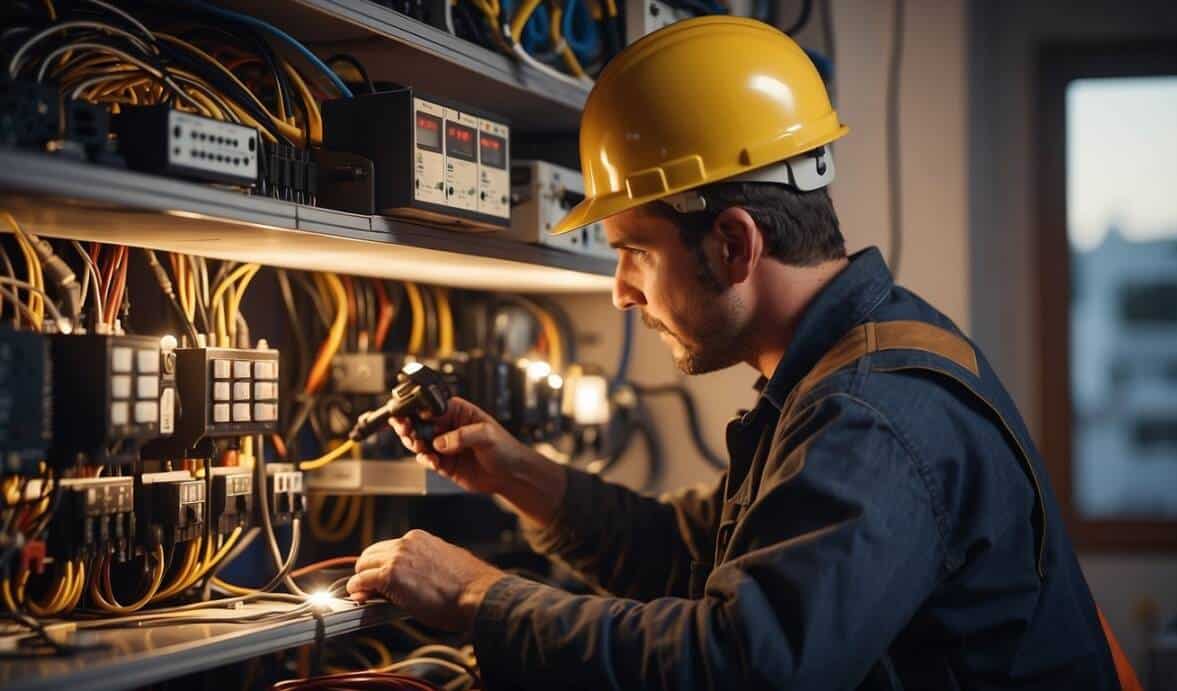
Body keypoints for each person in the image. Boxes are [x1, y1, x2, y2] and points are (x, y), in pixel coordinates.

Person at [347, 16, 1131, 690]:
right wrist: (518, 474)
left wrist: (480, 596)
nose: (622, 290)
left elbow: (745, 665)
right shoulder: (837, 375)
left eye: (635, 252)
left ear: (732, 244)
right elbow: (693, 553)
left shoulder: (871, 417)